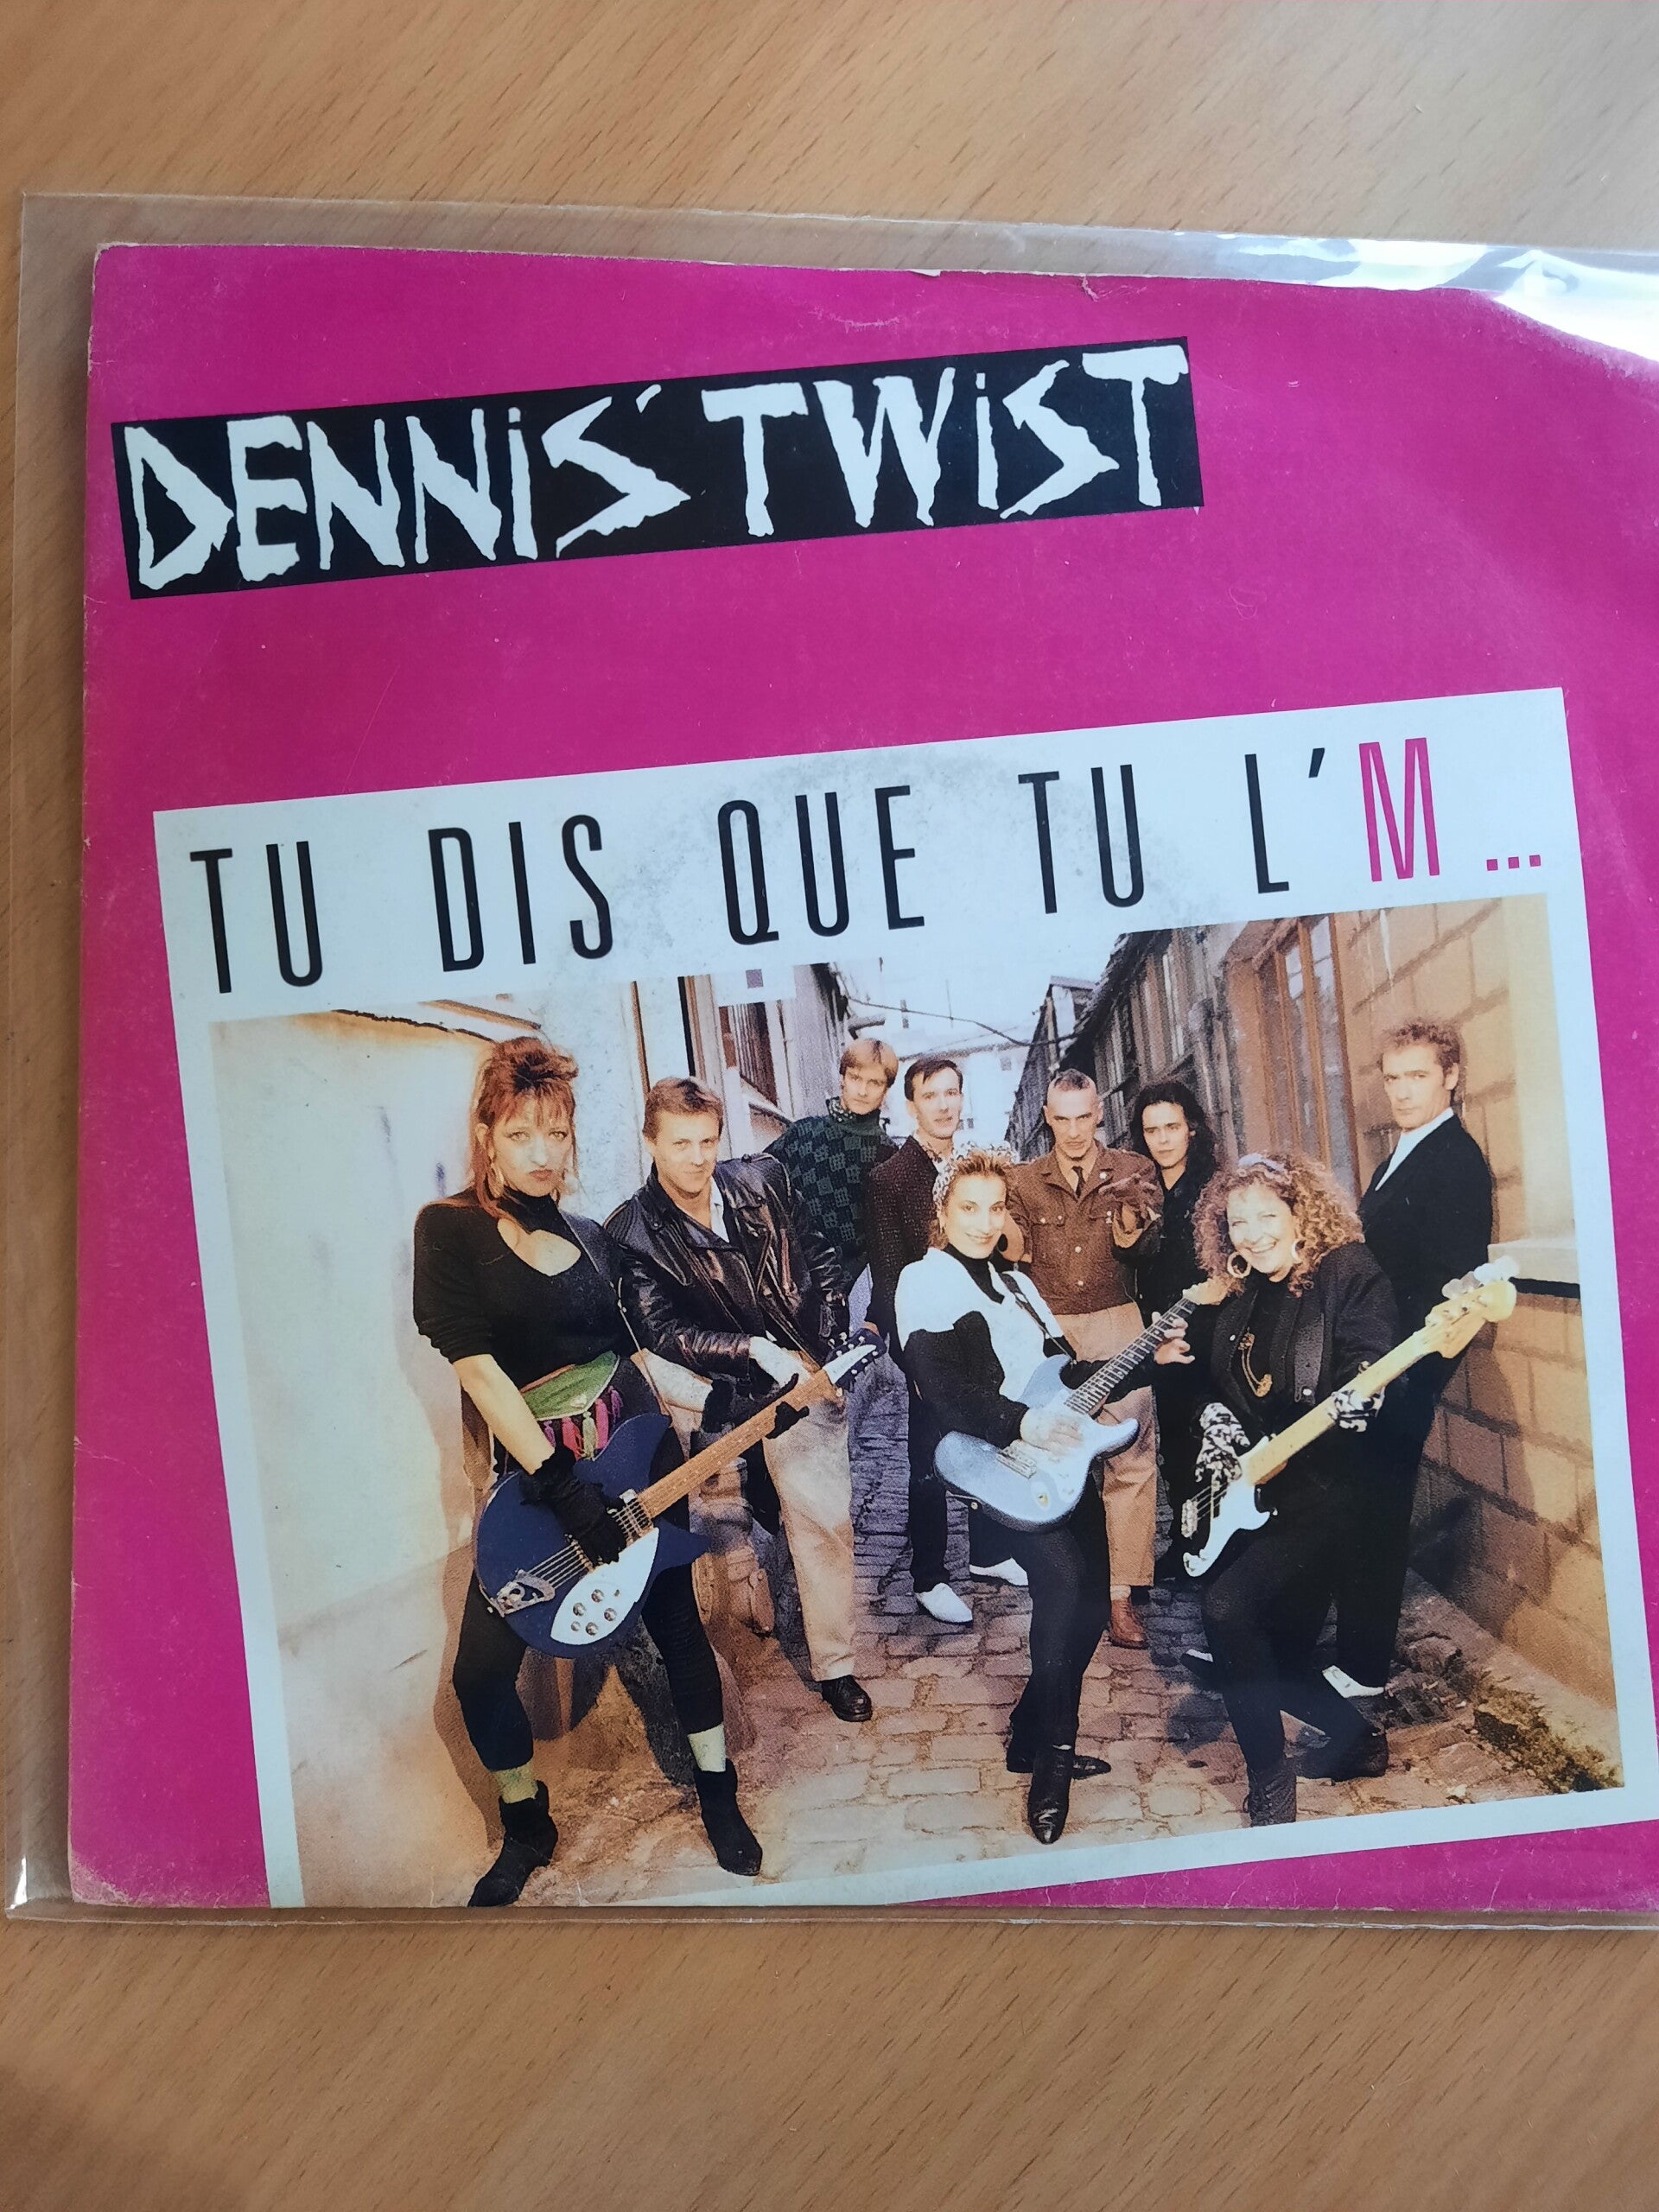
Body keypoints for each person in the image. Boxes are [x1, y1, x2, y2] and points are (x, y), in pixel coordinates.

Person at [413, 1037, 760, 1907]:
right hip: (537, 1490)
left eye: (557, 1133)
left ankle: (718, 1791)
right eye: (521, 1133)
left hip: (637, 1456)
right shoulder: (447, 1230)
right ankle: (527, 1822)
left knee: (679, 1628)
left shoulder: (593, 1238)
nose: (543, 1152)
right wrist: (561, 1488)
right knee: (480, 1672)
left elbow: (635, 1353)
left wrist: (734, 1395)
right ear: (487, 1135)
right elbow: (480, 1372)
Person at [607, 1077, 874, 1723]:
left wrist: (827, 1342)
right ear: (650, 1142)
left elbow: (820, 1258)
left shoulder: (763, 1180)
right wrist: (751, 1350)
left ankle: (835, 1666)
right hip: (724, 1389)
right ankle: (757, 1543)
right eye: (680, 1144)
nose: (697, 1158)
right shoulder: (631, 1231)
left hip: (803, 1374)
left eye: (707, 1141)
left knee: (824, 1522)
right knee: (744, 1504)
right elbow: (661, 1331)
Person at [1151, 1154, 1400, 1826]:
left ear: (1300, 1213)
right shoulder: (1242, 1292)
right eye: (1238, 1222)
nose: (1254, 1233)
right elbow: (1219, 1388)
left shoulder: (1347, 1271)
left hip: (1333, 1490)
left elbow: (1372, 1359)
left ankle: (1270, 1783)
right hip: (1259, 1493)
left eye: (1268, 1215)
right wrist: (1212, 1416)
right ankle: (1357, 1741)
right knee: (1270, 1654)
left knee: (1228, 1611)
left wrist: (1364, 1396)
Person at [895, 1147, 1127, 1844]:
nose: (983, 1222)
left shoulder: (1019, 1284)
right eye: (968, 1208)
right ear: (942, 1213)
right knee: (1062, 1585)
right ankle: (1051, 1768)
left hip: (1058, 1457)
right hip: (997, 1460)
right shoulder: (924, 1281)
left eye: (995, 1208)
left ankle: (1030, 1734)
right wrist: (1024, 1423)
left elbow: (1066, 1370)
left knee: (1093, 1602)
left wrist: (1152, 1359)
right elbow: (944, 1389)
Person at [1335, 1019, 1494, 1696]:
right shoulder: (1399, 1154)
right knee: (1361, 1501)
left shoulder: (1455, 1161)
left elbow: (1449, 1289)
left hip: (1405, 1365)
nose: (1402, 1091)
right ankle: (1350, 1653)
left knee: (1378, 1502)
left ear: (1450, 1077)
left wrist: (1399, 1374)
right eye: (1393, 1077)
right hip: (1376, 1360)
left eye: (1418, 1076)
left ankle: (1364, 1668)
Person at [1002, 1071, 1161, 1649]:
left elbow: (1146, 1246)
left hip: (1118, 1323)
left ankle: (1121, 1599)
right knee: (1050, 1455)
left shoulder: (1133, 1169)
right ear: (1047, 1117)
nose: (1073, 1131)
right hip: (1048, 1333)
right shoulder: (1020, 1180)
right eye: (1062, 1118)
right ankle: (1065, 1588)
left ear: (1099, 1114)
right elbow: (1012, 1251)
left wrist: (1131, 1219)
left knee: (1131, 1458)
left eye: (1084, 1117)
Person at [865, 1055, 1026, 1623]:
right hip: (929, 1338)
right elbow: (888, 1276)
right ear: (911, 1104)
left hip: (982, 1329)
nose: (943, 1105)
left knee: (990, 1439)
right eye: (931, 1095)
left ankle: (988, 1552)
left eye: (952, 1093)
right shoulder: (890, 1179)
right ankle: (929, 1577)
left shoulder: (972, 1168)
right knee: (929, 1458)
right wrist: (911, 1360)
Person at [1128, 1079, 1220, 1586]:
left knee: (1210, 1443)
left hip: (1207, 1334)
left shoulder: (1213, 1190)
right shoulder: (1140, 1191)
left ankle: (1216, 1544)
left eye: (1171, 1127)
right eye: (1152, 1130)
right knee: (1176, 1449)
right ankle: (1186, 1544)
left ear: (1192, 1129)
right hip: (1158, 1337)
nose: (1162, 1139)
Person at [766, 1037, 899, 1296]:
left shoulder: (888, 1155)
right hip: (784, 1282)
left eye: (874, 1083)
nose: (862, 1091)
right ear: (842, 1078)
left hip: (846, 1291)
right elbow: (755, 1183)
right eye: (855, 1078)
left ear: (886, 1090)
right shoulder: (802, 1133)